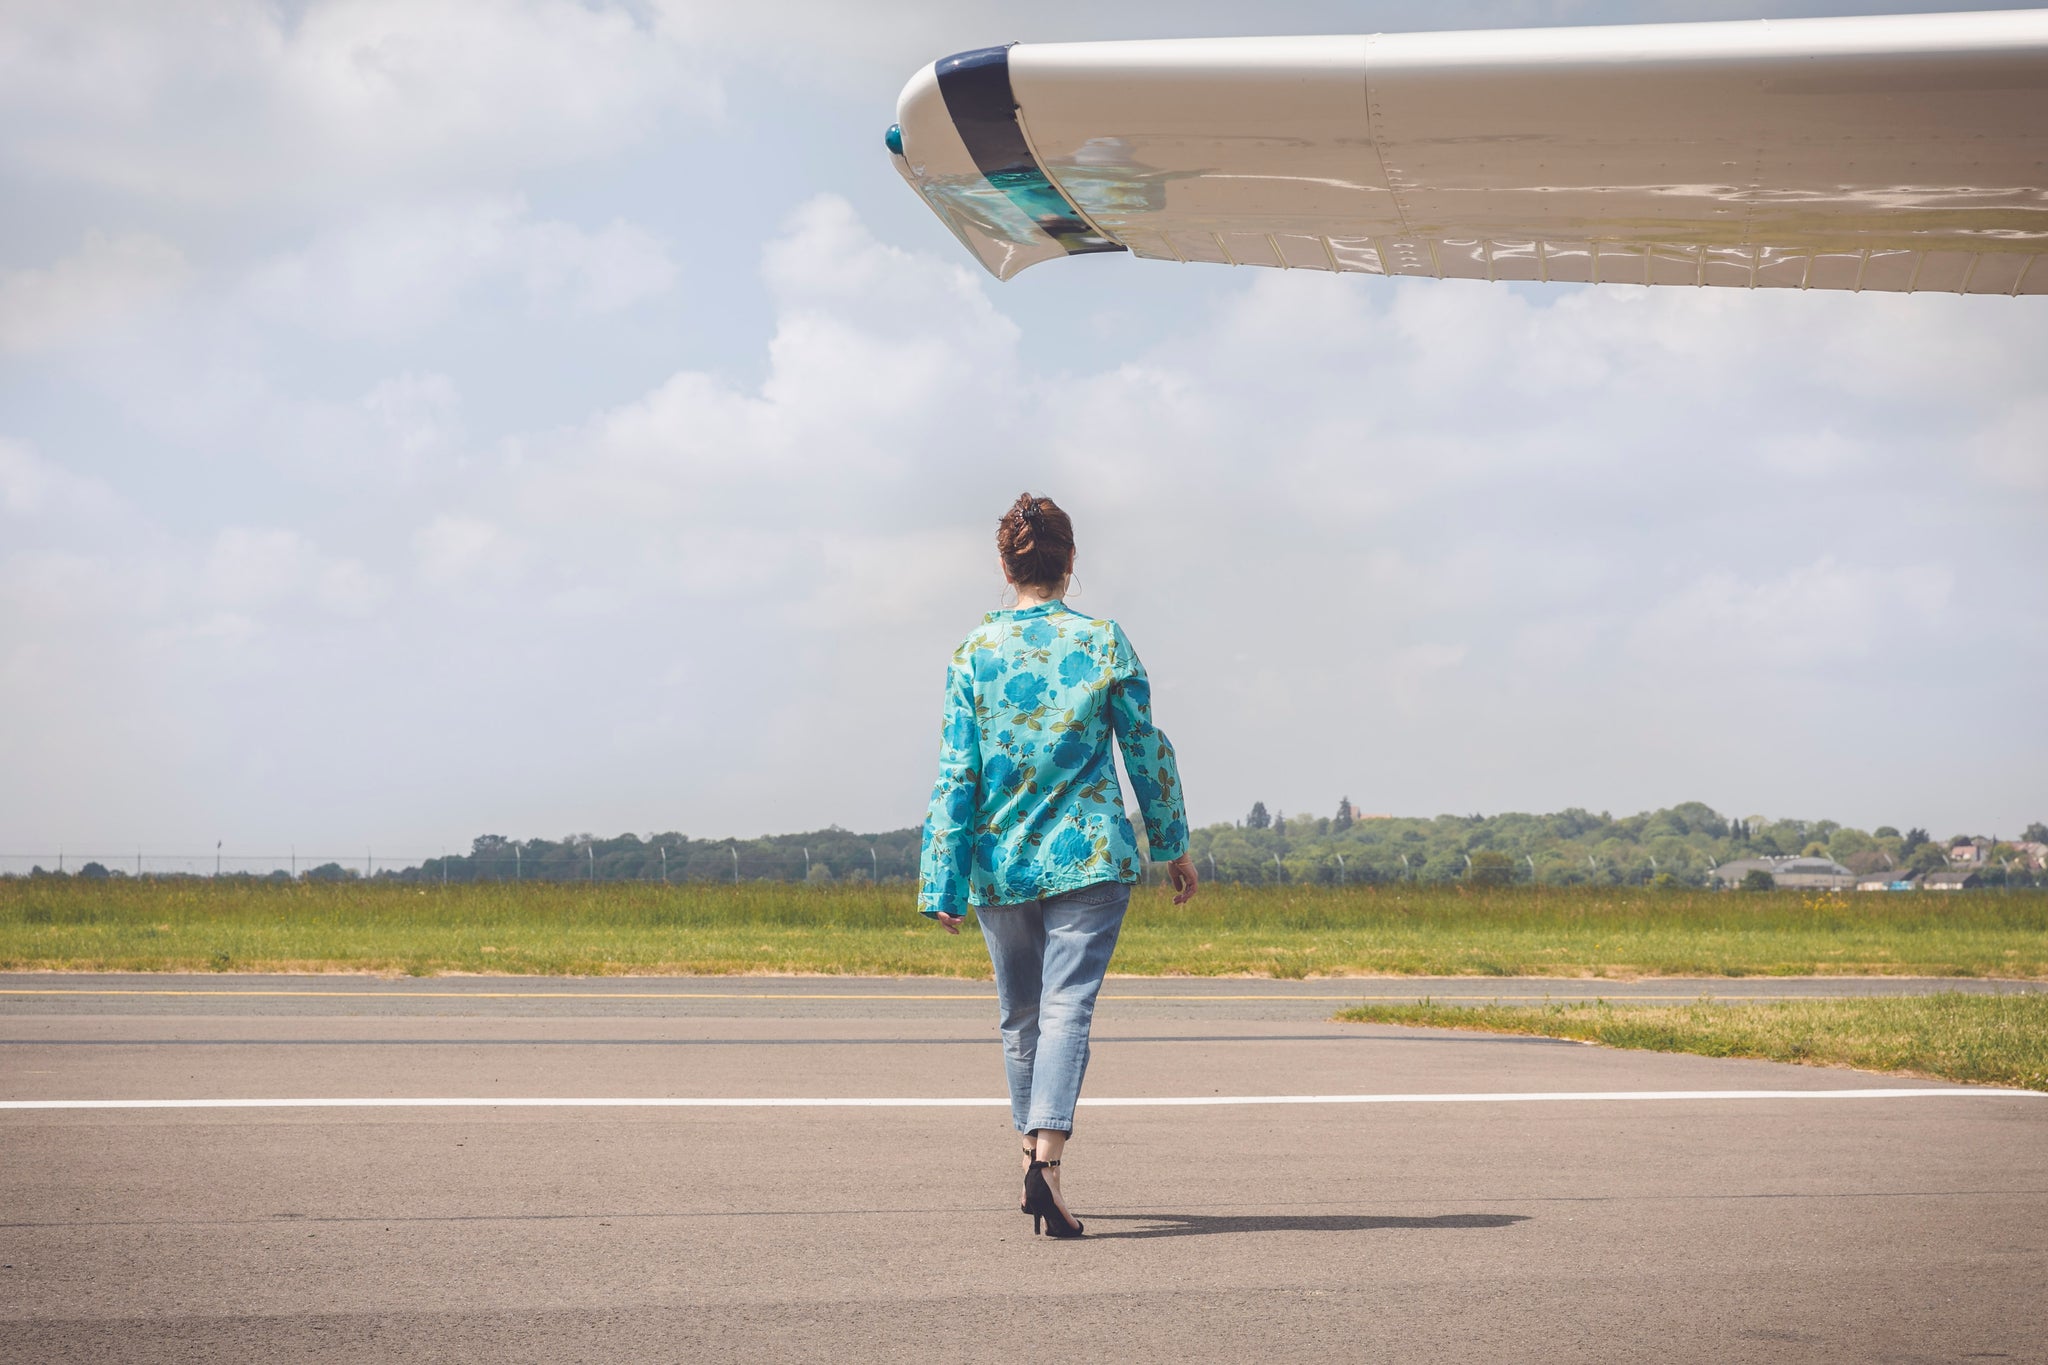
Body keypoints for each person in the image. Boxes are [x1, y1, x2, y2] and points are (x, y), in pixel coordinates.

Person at [918, 492, 1197, 1239]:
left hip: (998, 861)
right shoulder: (1105, 642)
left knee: (1020, 1016)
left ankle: (1029, 1158)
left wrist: (940, 874)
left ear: (1005, 564)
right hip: (1090, 857)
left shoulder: (973, 652)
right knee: (1067, 1005)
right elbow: (1145, 747)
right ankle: (1046, 1162)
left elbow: (956, 773)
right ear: (1070, 562)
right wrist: (1169, 841)